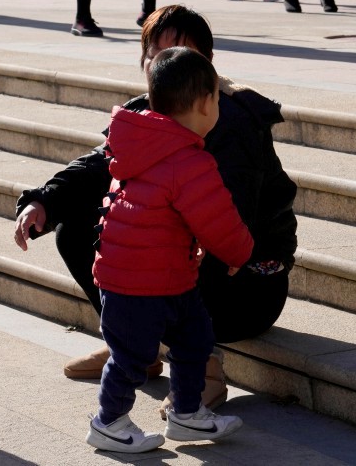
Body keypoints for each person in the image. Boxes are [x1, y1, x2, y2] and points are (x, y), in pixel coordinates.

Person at [14, 4, 297, 413]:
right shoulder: (140, 114)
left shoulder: (231, 120)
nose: (170, 65)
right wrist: (43, 201)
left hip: (247, 286)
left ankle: (203, 373)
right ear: (144, 62)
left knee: (184, 235)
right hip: (179, 283)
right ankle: (135, 350)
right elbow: (99, 164)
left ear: (209, 66)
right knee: (77, 229)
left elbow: (229, 227)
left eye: (185, 55)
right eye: (157, 55)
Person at [84, 47, 250, 453]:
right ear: (206, 103)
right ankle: (108, 422)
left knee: (195, 340)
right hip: (136, 281)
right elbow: (217, 219)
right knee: (132, 357)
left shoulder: (147, 143)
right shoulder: (187, 160)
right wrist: (239, 252)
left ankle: (187, 414)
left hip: (167, 275)